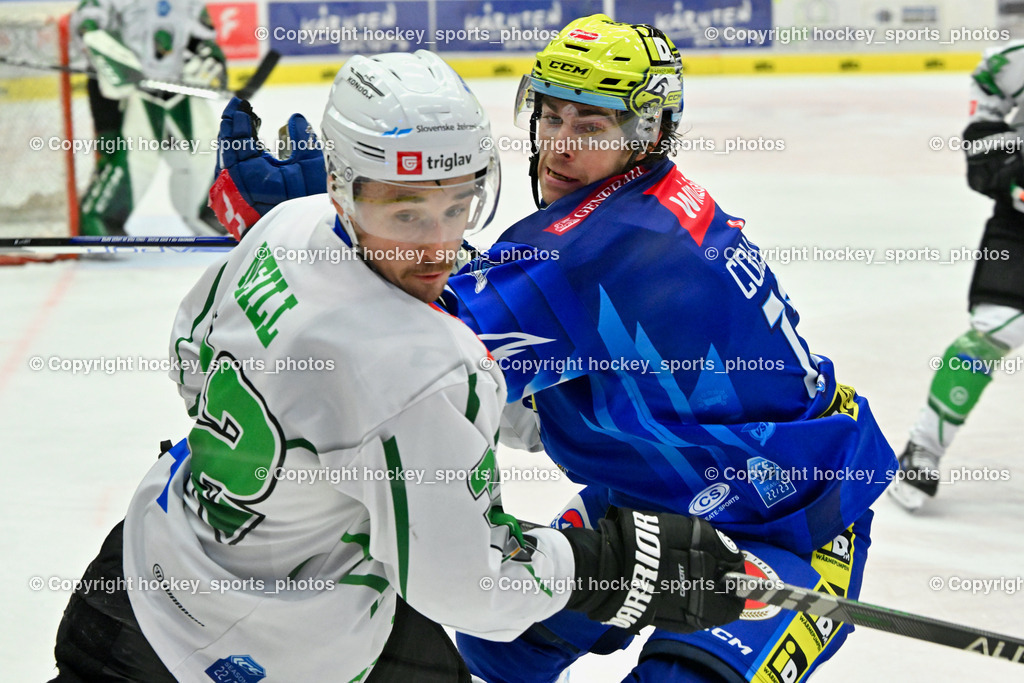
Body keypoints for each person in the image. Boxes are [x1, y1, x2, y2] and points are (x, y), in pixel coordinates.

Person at [210, 15, 897, 682]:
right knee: (498, 647)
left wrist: (334, 227)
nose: (560, 145)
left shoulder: (606, 246)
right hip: (654, 498)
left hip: (791, 524)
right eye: (551, 117)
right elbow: (509, 375)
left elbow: (409, 358)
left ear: (647, 133)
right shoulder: (624, 215)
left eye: (590, 125)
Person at [49, 51, 747, 683]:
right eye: (405, 212)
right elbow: (473, 588)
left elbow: (189, 356)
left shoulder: (289, 222)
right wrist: (611, 566)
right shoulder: (422, 372)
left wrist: (305, 461)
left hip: (142, 563)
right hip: (233, 652)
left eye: (457, 204)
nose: (439, 245)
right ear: (345, 187)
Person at [888, 42, 1024, 512]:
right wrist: (1008, 174)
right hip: (1020, 225)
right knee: (992, 330)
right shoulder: (1011, 63)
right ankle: (923, 449)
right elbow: (985, 130)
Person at [71, 0, 227, 235]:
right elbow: (85, 24)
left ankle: (205, 212)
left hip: (176, 85)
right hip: (124, 91)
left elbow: (202, 35)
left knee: (204, 147)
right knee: (134, 157)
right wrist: (99, 41)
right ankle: (101, 220)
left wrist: (208, 55)